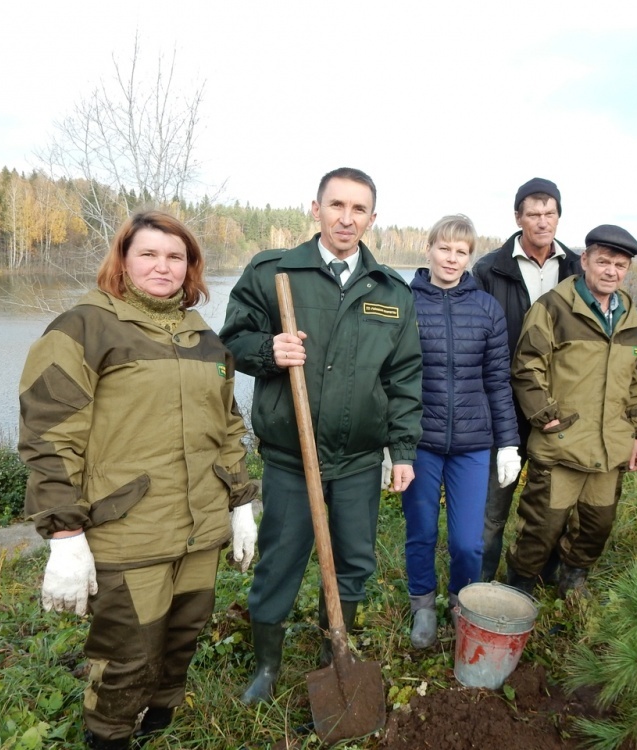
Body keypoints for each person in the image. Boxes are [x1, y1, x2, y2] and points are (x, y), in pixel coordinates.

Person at [18, 211, 258, 750]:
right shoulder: (83, 328)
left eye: (175, 257)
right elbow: (49, 435)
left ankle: (156, 727)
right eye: (148, 254)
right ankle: (109, 736)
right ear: (123, 260)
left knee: (182, 639)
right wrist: (63, 534)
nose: (162, 267)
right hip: (129, 531)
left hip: (199, 530)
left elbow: (227, 427)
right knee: (129, 655)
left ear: (191, 267)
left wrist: (241, 504)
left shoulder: (204, 339)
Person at [219, 167, 423, 703]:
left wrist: (401, 450)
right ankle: (266, 665)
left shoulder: (391, 292)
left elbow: (404, 378)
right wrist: (269, 352)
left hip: (357, 460)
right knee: (281, 559)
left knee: (355, 559)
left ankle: (338, 646)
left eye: (359, 210)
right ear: (315, 208)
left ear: (373, 219)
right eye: (337, 206)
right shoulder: (274, 273)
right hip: (290, 458)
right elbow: (230, 342)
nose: (347, 218)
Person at [505, 224, 637, 598]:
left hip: (609, 448)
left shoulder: (631, 318)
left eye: (620, 265)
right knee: (542, 525)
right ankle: (519, 586)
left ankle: (573, 578)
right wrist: (545, 416)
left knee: (597, 524)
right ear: (585, 260)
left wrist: (634, 434)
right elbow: (526, 367)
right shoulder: (552, 308)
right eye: (603, 261)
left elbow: (635, 382)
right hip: (561, 442)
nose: (611, 271)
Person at [403, 214, 521, 649]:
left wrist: (508, 442)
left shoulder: (486, 308)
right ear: (429, 248)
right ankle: (423, 606)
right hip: (420, 441)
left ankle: (461, 603)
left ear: (470, 257)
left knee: (469, 542)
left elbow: (497, 381)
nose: (451, 259)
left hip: (473, 444)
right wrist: (388, 441)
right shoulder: (405, 302)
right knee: (421, 532)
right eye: (444, 248)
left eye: (461, 251)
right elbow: (391, 376)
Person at [473, 177, 582, 583]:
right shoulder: (489, 269)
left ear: (558, 217)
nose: (541, 221)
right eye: (533, 214)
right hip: (501, 406)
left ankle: (539, 579)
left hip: (558, 407)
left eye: (549, 213)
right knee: (492, 508)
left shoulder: (576, 268)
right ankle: (478, 586)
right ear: (518, 217)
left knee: (550, 504)